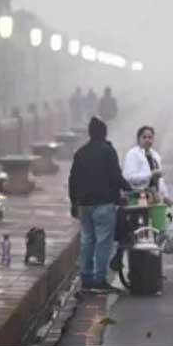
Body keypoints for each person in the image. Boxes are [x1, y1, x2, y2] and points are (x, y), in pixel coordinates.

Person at [69, 116, 131, 293]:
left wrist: (73, 202)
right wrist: (129, 188)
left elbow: (73, 179)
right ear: (104, 133)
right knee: (103, 242)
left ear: (90, 133)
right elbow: (115, 176)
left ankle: (86, 277)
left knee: (87, 240)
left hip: (84, 204)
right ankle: (99, 279)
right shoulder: (108, 151)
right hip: (104, 203)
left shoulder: (80, 152)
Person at [122, 126, 173, 207]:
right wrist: (150, 174)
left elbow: (160, 181)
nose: (147, 140)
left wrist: (165, 196)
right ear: (138, 139)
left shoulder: (155, 155)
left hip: (154, 197)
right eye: (144, 137)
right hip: (138, 196)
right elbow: (129, 177)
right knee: (143, 213)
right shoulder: (133, 154)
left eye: (150, 137)